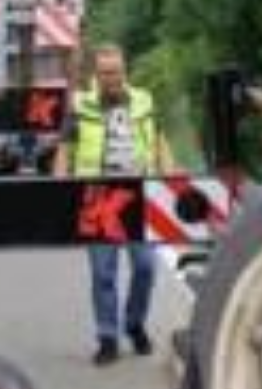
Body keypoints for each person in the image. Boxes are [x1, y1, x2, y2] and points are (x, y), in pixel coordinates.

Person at [53, 44, 174, 366]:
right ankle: (108, 337)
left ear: (125, 71)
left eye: (117, 72)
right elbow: (65, 150)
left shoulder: (144, 100)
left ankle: (134, 324)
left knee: (146, 267)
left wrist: (174, 182)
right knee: (103, 273)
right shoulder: (80, 106)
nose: (112, 78)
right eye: (106, 73)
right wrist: (58, 192)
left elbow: (159, 141)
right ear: (96, 74)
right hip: (98, 198)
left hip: (139, 194)